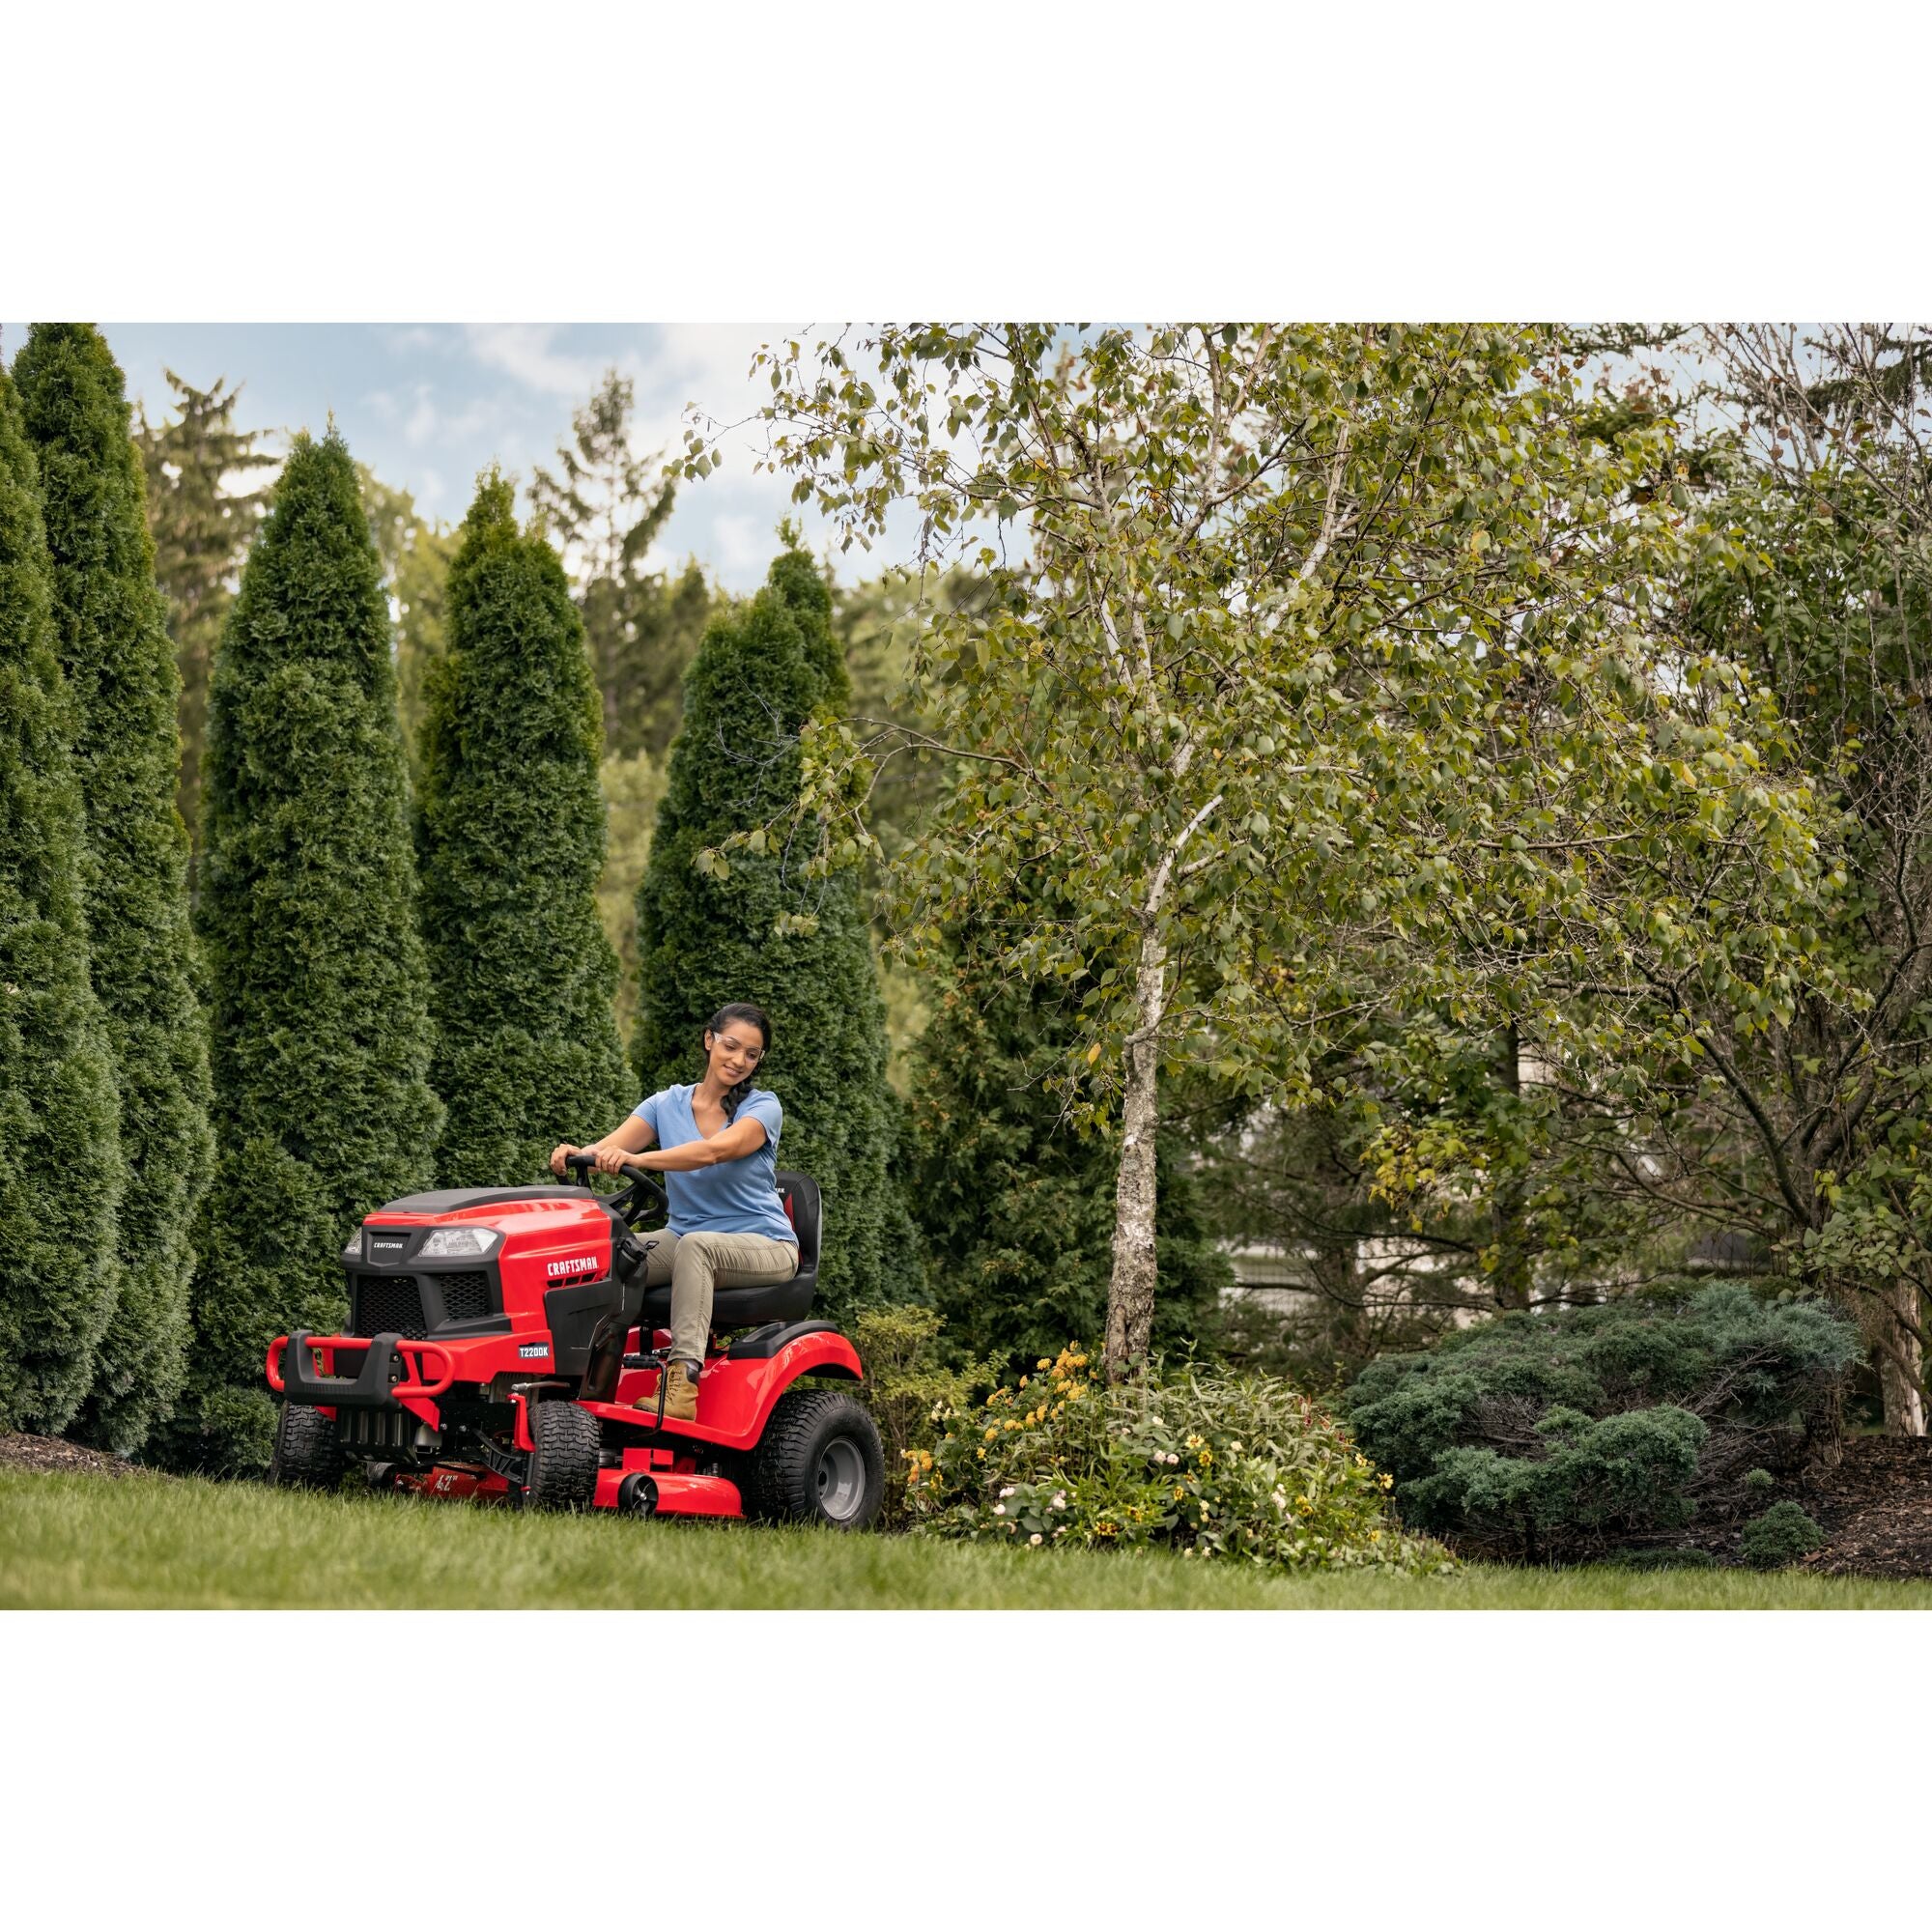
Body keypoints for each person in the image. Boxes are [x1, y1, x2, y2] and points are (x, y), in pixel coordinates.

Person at [551, 1002, 798, 1422]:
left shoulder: (763, 1108)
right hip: (685, 1236)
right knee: (608, 1253)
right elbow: (609, 1147)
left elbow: (715, 1151)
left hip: (765, 1244)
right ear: (709, 1040)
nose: (739, 1061)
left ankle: (682, 1385)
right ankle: (571, 1375)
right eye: (731, 1046)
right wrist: (578, 1153)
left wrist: (641, 1159)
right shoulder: (667, 1103)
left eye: (751, 1054)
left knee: (697, 1248)